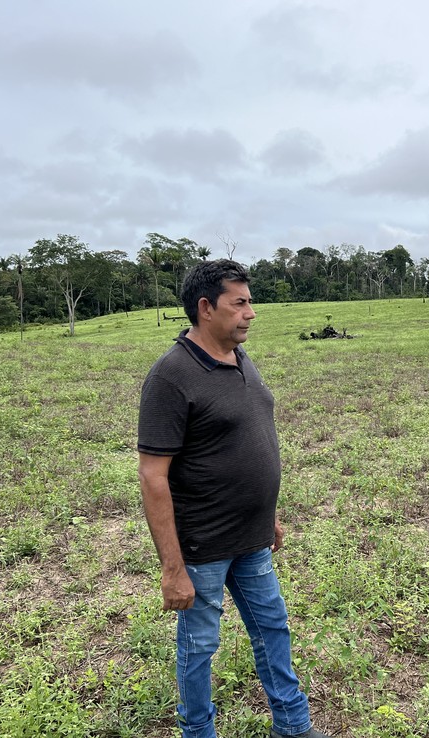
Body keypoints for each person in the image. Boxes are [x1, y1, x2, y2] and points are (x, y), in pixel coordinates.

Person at [137, 259, 329, 738]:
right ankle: (197, 733)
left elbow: (248, 440)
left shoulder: (241, 357)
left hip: (252, 538)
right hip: (202, 547)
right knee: (200, 647)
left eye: (250, 302)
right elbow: (152, 476)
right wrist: (172, 568)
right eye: (239, 303)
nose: (251, 313)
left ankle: (293, 726)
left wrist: (270, 516)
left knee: (273, 631)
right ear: (206, 308)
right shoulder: (171, 376)